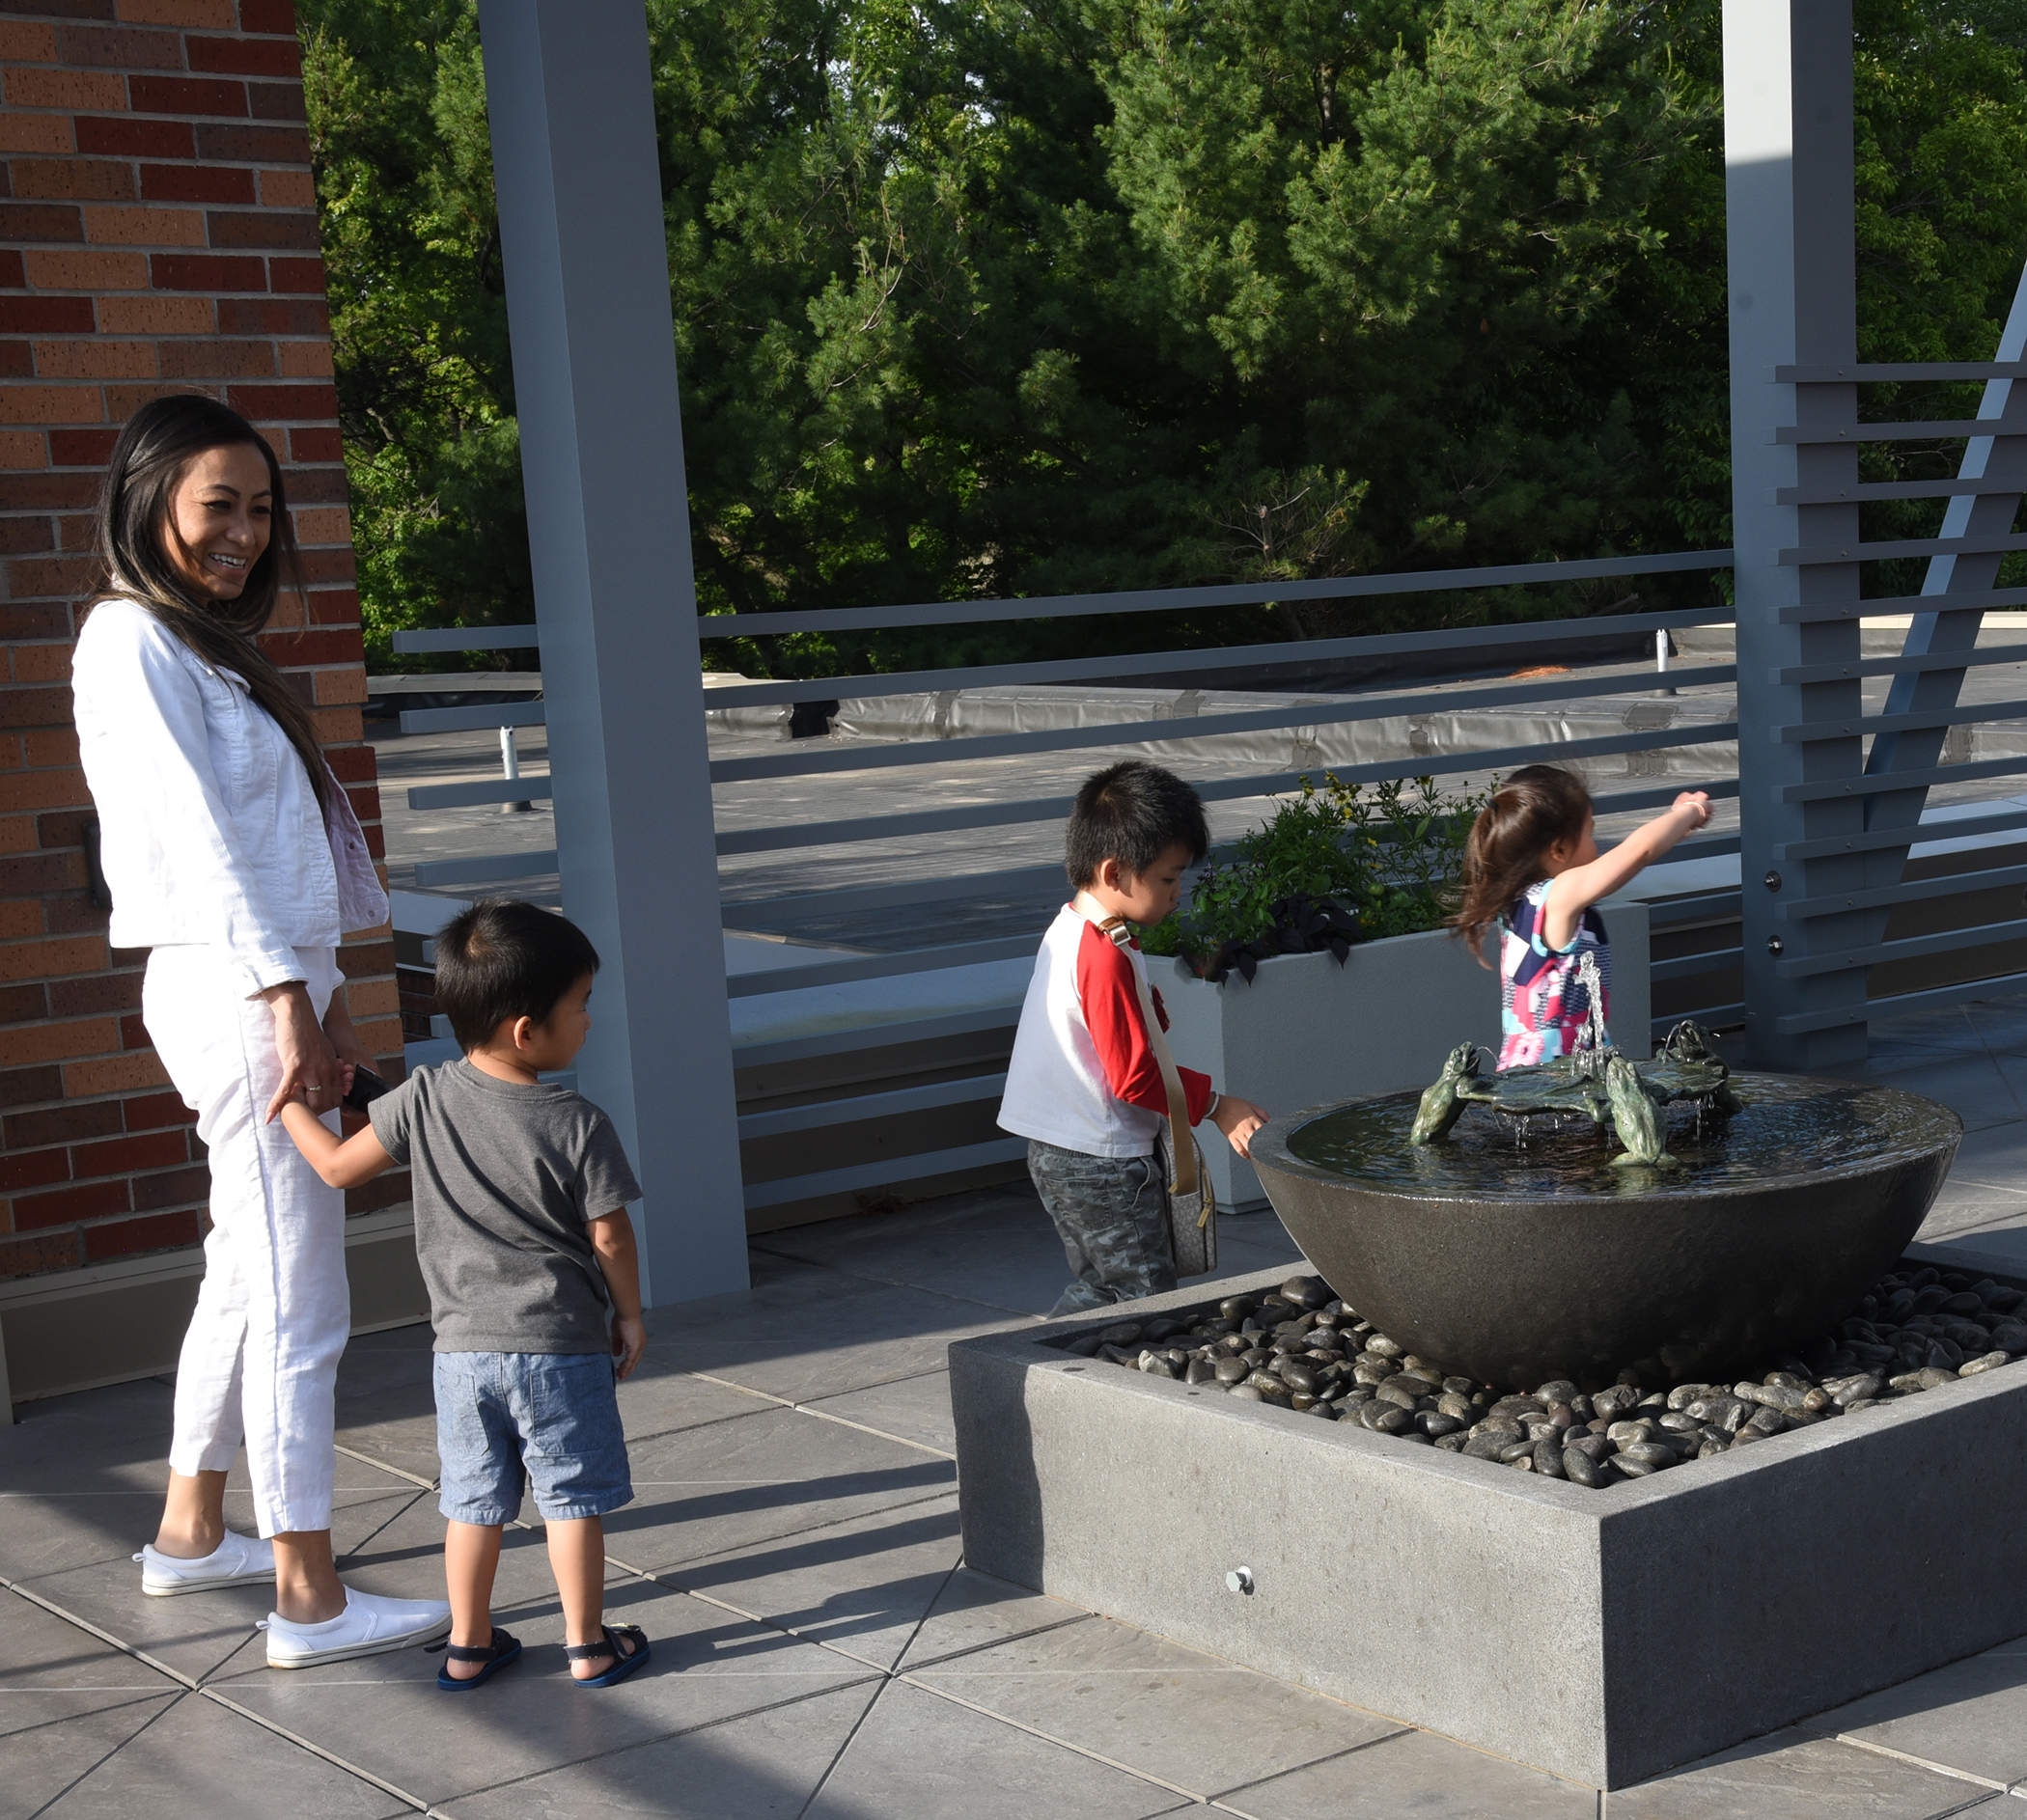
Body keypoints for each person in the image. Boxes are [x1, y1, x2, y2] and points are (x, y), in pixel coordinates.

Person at [71, 395, 450, 1668]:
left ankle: (190, 1529)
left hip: (263, 984)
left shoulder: (196, 644)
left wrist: (319, 988)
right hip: (239, 992)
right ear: (150, 503)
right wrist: (290, 999)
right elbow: (198, 832)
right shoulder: (134, 640)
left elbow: (270, 841)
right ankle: (308, 1594)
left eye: (260, 506)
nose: (244, 530)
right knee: (304, 1293)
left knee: (249, 1264)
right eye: (215, 506)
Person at [278, 899, 652, 1692]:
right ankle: (587, 1644)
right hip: (560, 1349)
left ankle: (469, 1646)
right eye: (580, 1005)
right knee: (571, 1500)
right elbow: (612, 1238)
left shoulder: (421, 1098)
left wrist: (288, 1115)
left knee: (473, 1504)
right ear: (526, 1030)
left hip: (460, 1357)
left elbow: (339, 1168)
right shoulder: (577, 1122)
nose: (588, 1019)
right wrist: (630, 1313)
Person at [999, 760, 1269, 1316]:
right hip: (1102, 1161)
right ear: (1115, 873)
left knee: (1101, 1292)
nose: (1178, 893)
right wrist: (1217, 1106)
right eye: (1169, 879)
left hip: (1062, 1151)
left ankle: (1036, 1365)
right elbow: (1132, 1077)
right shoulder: (1103, 955)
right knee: (1144, 1301)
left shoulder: (1078, 927)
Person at [1452, 764, 1712, 1069]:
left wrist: (1674, 826)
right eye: (1590, 831)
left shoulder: (1521, 900)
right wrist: (1690, 811)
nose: (1596, 844)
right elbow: (1638, 851)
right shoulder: (1558, 895)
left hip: (1534, 1072)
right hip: (1557, 1077)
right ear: (1559, 850)